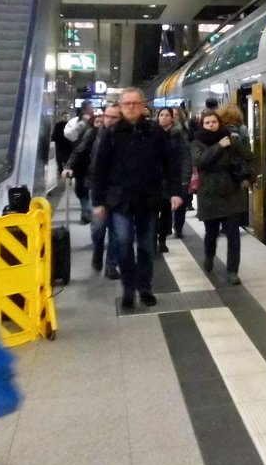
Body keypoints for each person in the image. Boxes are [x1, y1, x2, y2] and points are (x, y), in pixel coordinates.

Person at [91, 89, 182, 309]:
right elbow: (99, 169)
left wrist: (175, 191)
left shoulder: (155, 132)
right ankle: (128, 289)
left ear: (143, 106)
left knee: (146, 246)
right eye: (127, 103)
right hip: (119, 200)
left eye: (135, 103)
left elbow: (171, 163)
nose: (131, 107)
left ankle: (145, 288)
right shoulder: (110, 133)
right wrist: (98, 201)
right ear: (121, 106)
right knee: (122, 243)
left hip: (148, 198)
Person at [191, 110, 255, 285]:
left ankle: (233, 271)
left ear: (219, 123)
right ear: (202, 125)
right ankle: (209, 256)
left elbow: (249, 158)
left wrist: (249, 178)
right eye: (207, 123)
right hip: (209, 196)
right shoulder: (197, 143)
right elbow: (201, 162)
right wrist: (219, 146)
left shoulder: (231, 141)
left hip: (231, 194)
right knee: (211, 234)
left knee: (233, 235)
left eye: (214, 122)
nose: (211, 125)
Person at [65, 104, 121, 274]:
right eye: (107, 116)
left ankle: (111, 265)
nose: (110, 120)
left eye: (115, 117)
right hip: (96, 187)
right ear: (103, 117)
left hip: (118, 189)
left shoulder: (125, 136)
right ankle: (97, 251)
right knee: (98, 226)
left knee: (116, 229)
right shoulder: (94, 134)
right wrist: (68, 166)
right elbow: (79, 152)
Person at [155, 107, 192, 250]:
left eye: (166, 115)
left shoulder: (179, 136)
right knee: (153, 212)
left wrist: (185, 179)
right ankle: (153, 238)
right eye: (161, 115)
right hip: (155, 180)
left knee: (165, 211)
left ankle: (162, 240)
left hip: (171, 179)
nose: (163, 117)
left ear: (172, 118)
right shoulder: (152, 134)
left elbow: (185, 158)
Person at [51, 110, 73, 178]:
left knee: (66, 160)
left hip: (68, 146)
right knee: (60, 160)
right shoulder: (59, 125)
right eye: (65, 116)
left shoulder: (71, 125)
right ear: (62, 117)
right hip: (61, 146)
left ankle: (65, 172)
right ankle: (61, 172)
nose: (66, 118)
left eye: (67, 116)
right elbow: (54, 135)